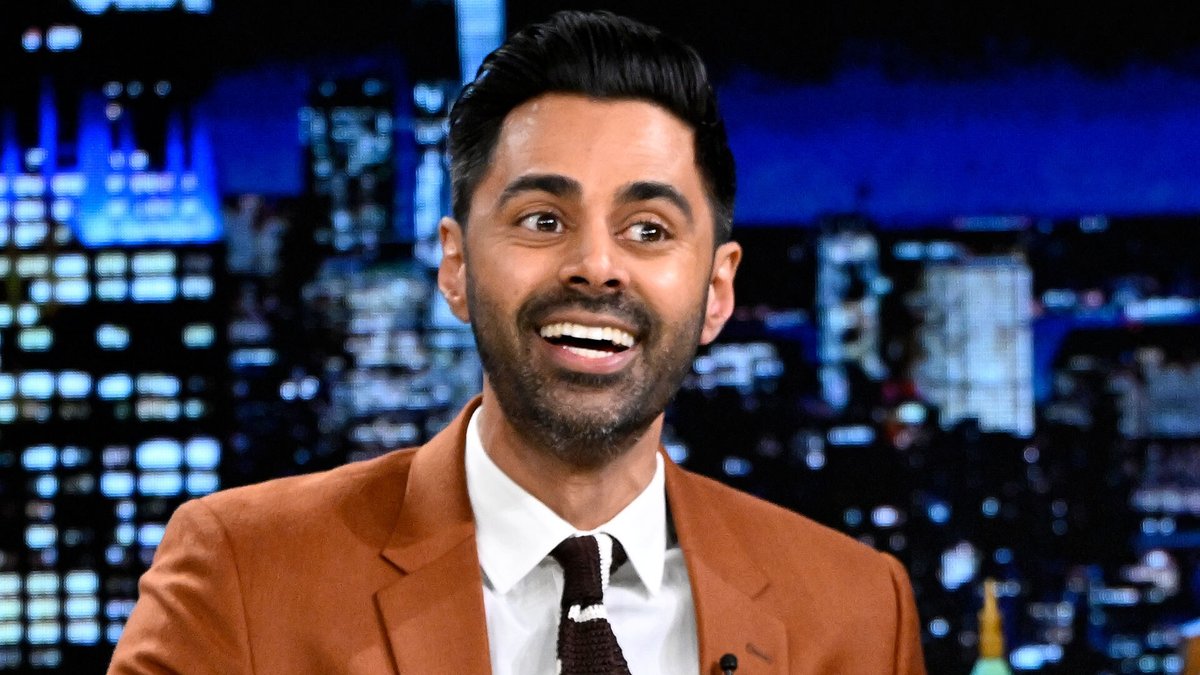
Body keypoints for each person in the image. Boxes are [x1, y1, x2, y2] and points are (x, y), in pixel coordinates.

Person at [109, 10, 926, 675]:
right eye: (542, 220)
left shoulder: (857, 612)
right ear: (456, 266)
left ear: (717, 292)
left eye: (648, 228)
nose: (596, 266)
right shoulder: (246, 575)